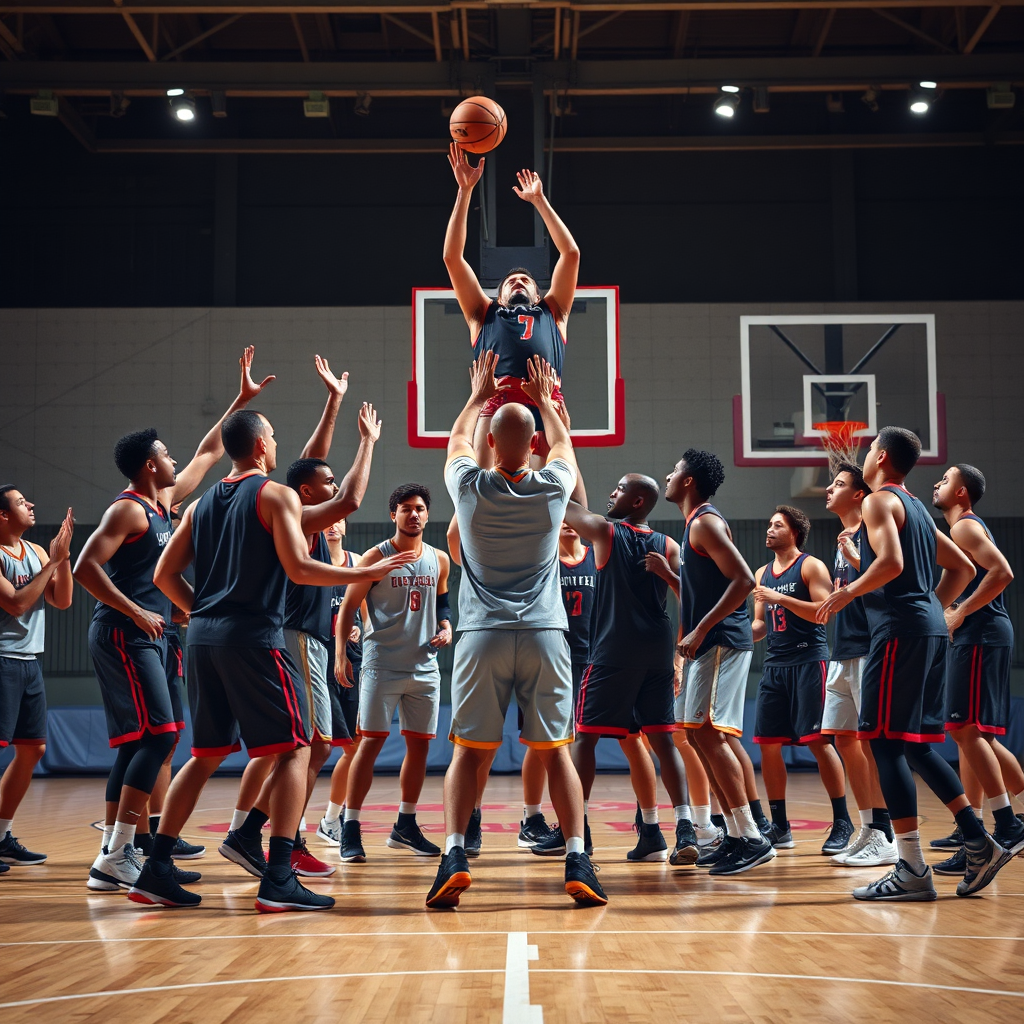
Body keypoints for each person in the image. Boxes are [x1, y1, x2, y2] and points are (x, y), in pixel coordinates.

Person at [126, 408, 412, 911]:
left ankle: (155, 868)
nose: (277, 443)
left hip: (204, 642)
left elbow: (163, 576)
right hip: (254, 638)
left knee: (206, 754)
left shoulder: (199, 505)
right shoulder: (274, 494)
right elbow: (301, 569)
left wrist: (204, 613)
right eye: (275, 434)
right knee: (297, 747)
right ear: (261, 446)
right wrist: (367, 574)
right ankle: (279, 876)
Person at [74, 347, 271, 893]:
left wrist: (241, 401)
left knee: (144, 742)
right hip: (124, 634)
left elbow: (212, 450)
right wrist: (136, 609)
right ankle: (117, 852)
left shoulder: (164, 504)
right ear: (147, 466)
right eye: (164, 453)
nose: (174, 457)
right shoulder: (129, 509)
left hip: (155, 637)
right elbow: (85, 566)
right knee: (160, 736)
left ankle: (121, 852)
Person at [426, 352, 605, 908]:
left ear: (494, 443)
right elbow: (566, 449)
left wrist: (478, 396)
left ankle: (454, 853)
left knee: (469, 755)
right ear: (532, 447)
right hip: (547, 634)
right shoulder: (553, 488)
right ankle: (578, 859)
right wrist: (548, 401)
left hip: (481, 636)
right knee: (555, 752)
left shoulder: (470, 489)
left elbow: (457, 439)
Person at [817, 427, 1011, 900]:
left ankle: (911, 868)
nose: (861, 458)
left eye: (866, 452)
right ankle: (978, 841)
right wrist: (937, 613)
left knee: (882, 744)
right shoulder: (920, 510)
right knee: (918, 747)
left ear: (880, 457)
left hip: (900, 631)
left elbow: (891, 563)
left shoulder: (878, 501)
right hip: (924, 630)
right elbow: (963, 568)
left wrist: (848, 590)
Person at [554, 472, 697, 866]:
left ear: (636, 502)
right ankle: (679, 828)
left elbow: (566, 506)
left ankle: (577, 832)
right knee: (662, 742)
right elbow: (691, 599)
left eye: (618, 489)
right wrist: (677, 659)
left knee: (584, 739)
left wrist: (557, 454)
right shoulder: (668, 544)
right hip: (656, 651)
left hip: (613, 652)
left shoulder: (605, 533)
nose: (611, 492)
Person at [653, 450, 775, 876]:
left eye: (674, 470)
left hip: (723, 640)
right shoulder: (692, 527)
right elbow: (700, 596)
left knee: (710, 734)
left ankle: (752, 837)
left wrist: (701, 630)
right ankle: (736, 835)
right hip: (706, 643)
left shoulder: (705, 521)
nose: (668, 475)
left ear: (688, 481)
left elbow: (744, 580)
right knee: (698, 735)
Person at [335, 484, 451, 862]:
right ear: (393, 515)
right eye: (405, 508)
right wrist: (341, 654)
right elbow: (348, 607)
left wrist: (446, 627)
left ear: (427, 515)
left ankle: (406, 824)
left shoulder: (439, 559)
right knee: (369, 744)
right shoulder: (375, 555)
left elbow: (443, 602)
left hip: (424, 666)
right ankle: (350, 827)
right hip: (381, 664)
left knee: (420, 746)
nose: (413, 514)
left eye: (419, 508)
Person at [443, 144, 579, 468]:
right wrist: (464, 192)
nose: (518, 281)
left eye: (526, 280)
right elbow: (452, 257)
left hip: (545, 400)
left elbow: (570, 253)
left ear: (537, 293)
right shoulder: (483, 313)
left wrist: (539, 201)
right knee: (477, 497)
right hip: (496, 399)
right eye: (510, 281)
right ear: (499, 296)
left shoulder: (554, 310)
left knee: (567, 501)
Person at [932, 463, 1024, 871]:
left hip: (983, 633)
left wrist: (960, 611)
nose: (937, 483)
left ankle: (1008, 824)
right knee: (970, 732)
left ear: (962, 492)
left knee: (966, 730)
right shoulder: (958, 532)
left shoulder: (965, 528)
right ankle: (980, 829)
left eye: (946, 480)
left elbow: (1003, 572)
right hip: (978, 634)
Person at [752, 506, 855, 856]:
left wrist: (781, 598)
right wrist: (728, 634)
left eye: (776, 525)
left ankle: (842, 820)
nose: (769, 529)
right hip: (775, 664)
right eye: (769, 523)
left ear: (794, 532)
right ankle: (779, 826)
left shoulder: (810, 566)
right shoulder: (761, 573)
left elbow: (825, 611)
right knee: (767, 745)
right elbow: (760, 625)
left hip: (810, 661)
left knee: (818, 742)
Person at [821, 463, 896, 868]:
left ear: (859, 495)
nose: (829, 490)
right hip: (842, 648)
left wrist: (857, 557)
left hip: (870, 647)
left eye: (838, 484)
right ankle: (869, 826)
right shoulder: (840, 540)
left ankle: (887, 832)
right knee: (844, 740)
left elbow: (889, 580)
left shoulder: (873, 530)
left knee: (869, 741)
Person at [0, 495, 73, 871]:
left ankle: (1, 836)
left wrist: (65, 559)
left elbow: (61, 600)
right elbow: (15, 603)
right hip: (2, 660)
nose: (31, 504)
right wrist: (55, 562)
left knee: (33, 750)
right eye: (20, 502)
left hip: (30, 662)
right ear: (2, 514)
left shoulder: (34, 551)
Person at [315, 517, 367, 844]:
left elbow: (365, 608)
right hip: (320, 660)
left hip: (352, 660)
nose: (333, 526)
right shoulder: (310, 565)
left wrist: (361, 628)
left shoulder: (358, 562)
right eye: (327, 522)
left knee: (355, 747)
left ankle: (331, 820)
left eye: (339, 521)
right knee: (331, 747)